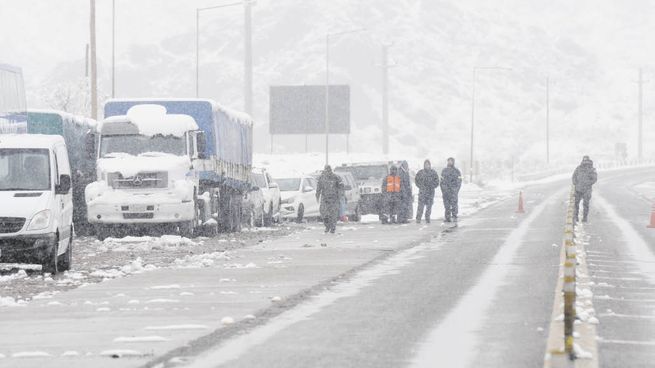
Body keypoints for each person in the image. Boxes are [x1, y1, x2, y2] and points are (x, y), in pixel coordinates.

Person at [316, 165, 344, 233]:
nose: (328, 172)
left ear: (331, 170)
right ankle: (327, 226)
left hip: (334, 199)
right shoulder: (321, 178)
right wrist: (317, 195)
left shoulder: (336, 177)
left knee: (333, 215)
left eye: (329, 170)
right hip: (325, 199)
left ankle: (333, 228)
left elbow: (341, 187)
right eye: (326, 170)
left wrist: (340, 195)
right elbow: (318, 188)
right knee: (324, 214)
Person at [572, 156, 598, 223]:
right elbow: (574, 176)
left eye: (586, 160)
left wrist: (588, 183)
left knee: (584, 204)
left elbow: (594, 179)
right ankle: (577, 218)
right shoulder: (579, 168)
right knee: (577, 204)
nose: (585, 162)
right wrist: (575, 183)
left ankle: (584, 218)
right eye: (584, 160)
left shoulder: (591, 169)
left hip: (586, 189)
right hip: (579, 189)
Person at [415, 159, 440, 224]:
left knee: (429, 207)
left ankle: (427, 218)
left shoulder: (433, 173)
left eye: (428, 164)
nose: (426, 165)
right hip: (422, 192)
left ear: (430, 165)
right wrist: (421, 186)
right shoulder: (420, 172)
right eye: (425, 164)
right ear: (424, 165)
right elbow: (416, 180)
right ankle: (418, 218)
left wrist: (432, 186)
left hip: (430, 192)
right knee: (420, 207)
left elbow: (437, 181)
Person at [440, 157, 462, 223]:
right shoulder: (444, 171)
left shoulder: (457, 171)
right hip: (446, 192)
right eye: (449, 161)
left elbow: (459, 181)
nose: (450, 162)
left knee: (454, 204)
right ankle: (447, 217)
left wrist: (456, 189)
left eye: (451, 161)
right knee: (446, 205)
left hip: (453, 191)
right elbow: (441, 181)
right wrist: (443, 189)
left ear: (453, 162)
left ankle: (454, 216)